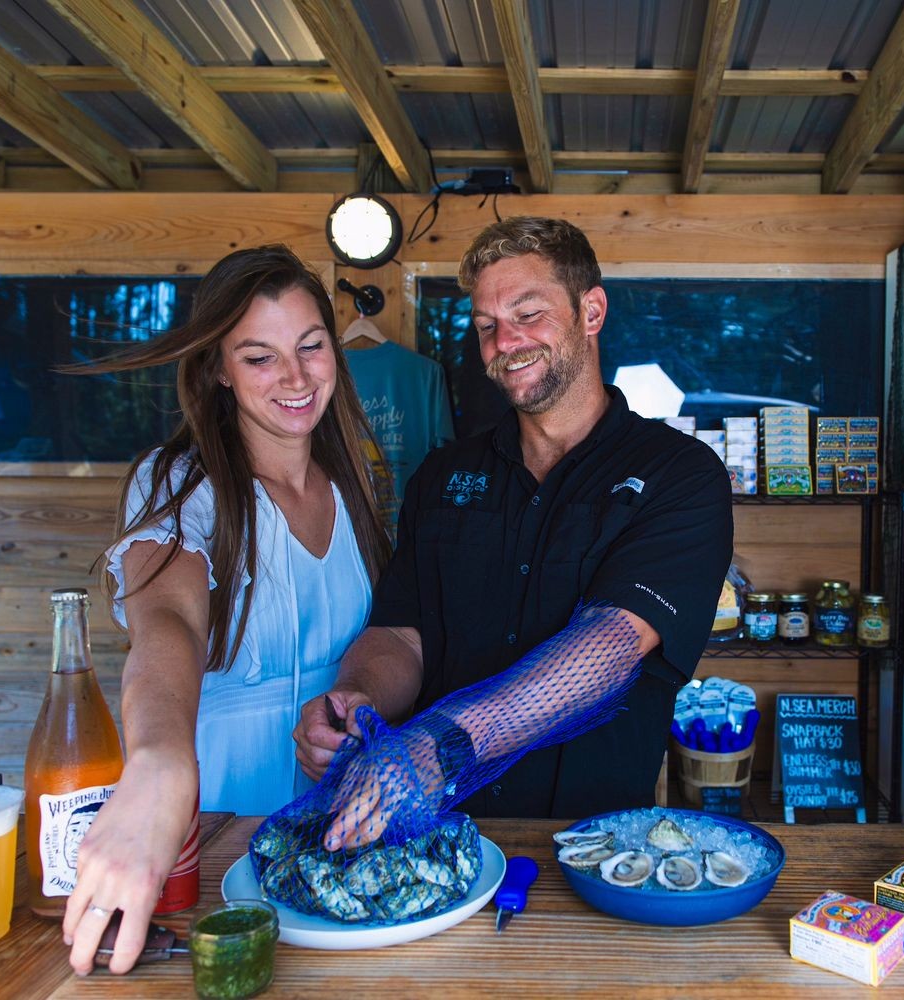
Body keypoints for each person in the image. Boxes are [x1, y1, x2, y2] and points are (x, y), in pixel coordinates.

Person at [294, 216, 733, 847]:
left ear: (591, 310)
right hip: (434, 836)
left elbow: (610, 646)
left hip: (592, 846)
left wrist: (436, 747)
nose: (506, 342)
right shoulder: (443, 477)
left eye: (529, 314)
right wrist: (356, 699)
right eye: (486, 327)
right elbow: (402, 633)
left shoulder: (679, 475)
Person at [61, 245, 391, 974]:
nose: (297, 377)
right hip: (214, 823)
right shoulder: (180, 482)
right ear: (216, 369)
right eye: (259, 357)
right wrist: (157, 768)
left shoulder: (355, 486)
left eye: (310, 346)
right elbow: (166, 621)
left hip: (337, 819)